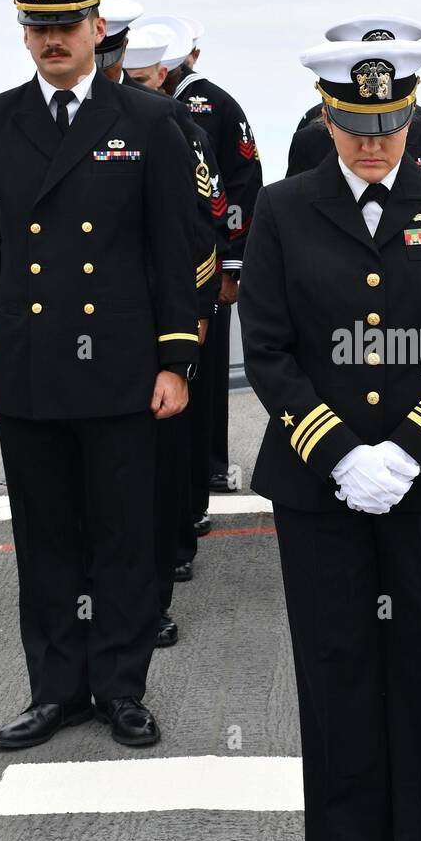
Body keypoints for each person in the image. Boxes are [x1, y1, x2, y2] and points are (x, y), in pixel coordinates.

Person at [239, 28, 421, 841]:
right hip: (321, 486)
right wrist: (341, 450)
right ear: (327, 113)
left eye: (390, 122)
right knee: (336, 664)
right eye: (356, 123)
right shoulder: (283, 209)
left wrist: (409, 451)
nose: (374, 142)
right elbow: (268, 349)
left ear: (412, 114)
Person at [0, 0, 198, 749]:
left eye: (66, 25)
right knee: (47, 537)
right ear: (24, 34)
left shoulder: (150, 120)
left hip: (124, 367)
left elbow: (173, 246)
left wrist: (175, 359)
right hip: (29, 365)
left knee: (127, 535)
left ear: (99, 29)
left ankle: (122, 687)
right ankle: (55, 689)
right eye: (38, 27)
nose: (52, 39)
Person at [117, 23, 225, 645]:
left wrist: (196, 309)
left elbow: (200, 220)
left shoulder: (173, 124)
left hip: (157, 320)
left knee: (160, 455)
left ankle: (164, 563)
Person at [165, 25, 263, 498]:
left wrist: (231, 265)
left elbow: (242, 182)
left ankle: (208, 470)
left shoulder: (218, 105)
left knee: (202, 376)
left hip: (208, 265)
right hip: (175, 266)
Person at [287, 16, 421, 180]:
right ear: (327, 119)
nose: (371, 146)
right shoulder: (308, 145)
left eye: (389, 125)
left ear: (411, 115)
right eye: (354, 128)